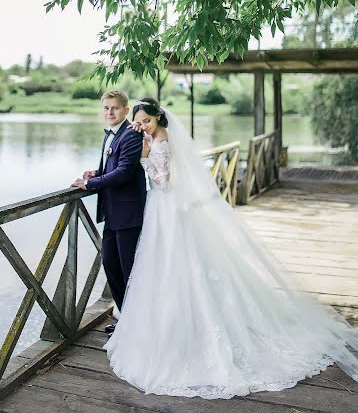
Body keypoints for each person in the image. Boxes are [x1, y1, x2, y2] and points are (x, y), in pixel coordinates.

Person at [104, 97, 358, 399]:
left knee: (174, 261)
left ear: (159, 117)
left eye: (147, 120)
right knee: (162, 267)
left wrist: (144, 155)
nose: (144, 125)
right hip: (161, 209)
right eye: (140, 121)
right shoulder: (153, 135)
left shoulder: (162, 139)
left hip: (166, 205)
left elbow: (164, 180)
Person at [71, 90, 146, 334]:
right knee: (111, 265)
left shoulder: (131, 134)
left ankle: (136, 324)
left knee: (129, 271)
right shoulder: (111, 136)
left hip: (128, 214)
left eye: (114, 108)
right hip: (112, 215)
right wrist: (96, 173)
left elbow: (124, 171)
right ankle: (126, 318)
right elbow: (111, 167)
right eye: (106, 108)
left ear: (126, 110)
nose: (110, 112)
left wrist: (90, 185)